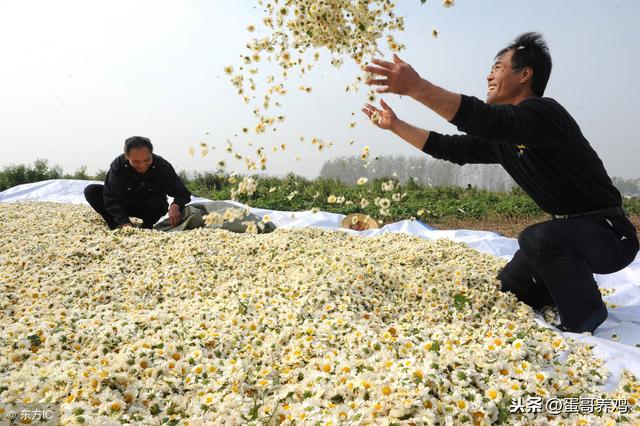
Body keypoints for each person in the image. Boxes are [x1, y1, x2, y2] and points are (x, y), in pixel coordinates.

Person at [362, 32, 639, 333]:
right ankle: (559, 286)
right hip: (568, 236)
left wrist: (417, 87)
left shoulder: (545, 114)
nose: (488, 76)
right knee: (509, 290)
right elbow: (450, 149)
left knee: (536, 238)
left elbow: (487, 120)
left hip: (609, 235)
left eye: (497, 67)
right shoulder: (502, 140)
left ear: (525, 74)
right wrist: (395, 125)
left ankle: (586, 314)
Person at [84, 136, 191, 230]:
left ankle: (147, 226)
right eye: (136, 162)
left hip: (147, 207)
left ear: (151, 154)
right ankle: (115, 225)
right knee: (91, 191)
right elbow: (112, 197)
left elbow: (182, 192)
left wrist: (175, 205)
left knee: (158, 202)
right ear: (126, 156)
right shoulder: (118, 166)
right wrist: (124, 223)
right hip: (124, 205)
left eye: (147, 160)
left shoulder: (161, 166)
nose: (142, 165)